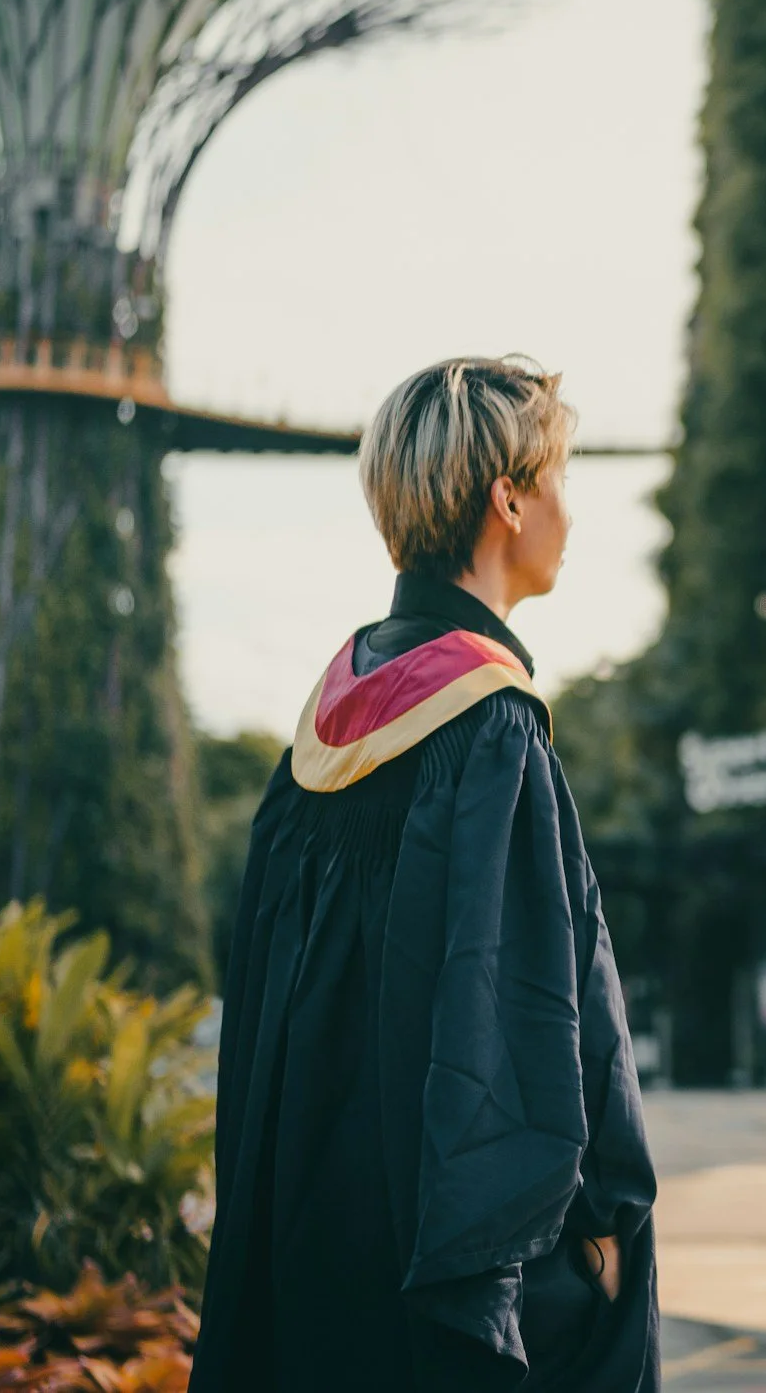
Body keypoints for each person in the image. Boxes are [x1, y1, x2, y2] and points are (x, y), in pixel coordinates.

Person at [193, 357, 658, 1393]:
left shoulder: (317, 740)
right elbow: (534, 1002)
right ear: (509, 496)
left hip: (316, 1240)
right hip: (444, 1262)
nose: (568, 515)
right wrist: (600, 1216)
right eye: (559, 482)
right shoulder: (488, 727)